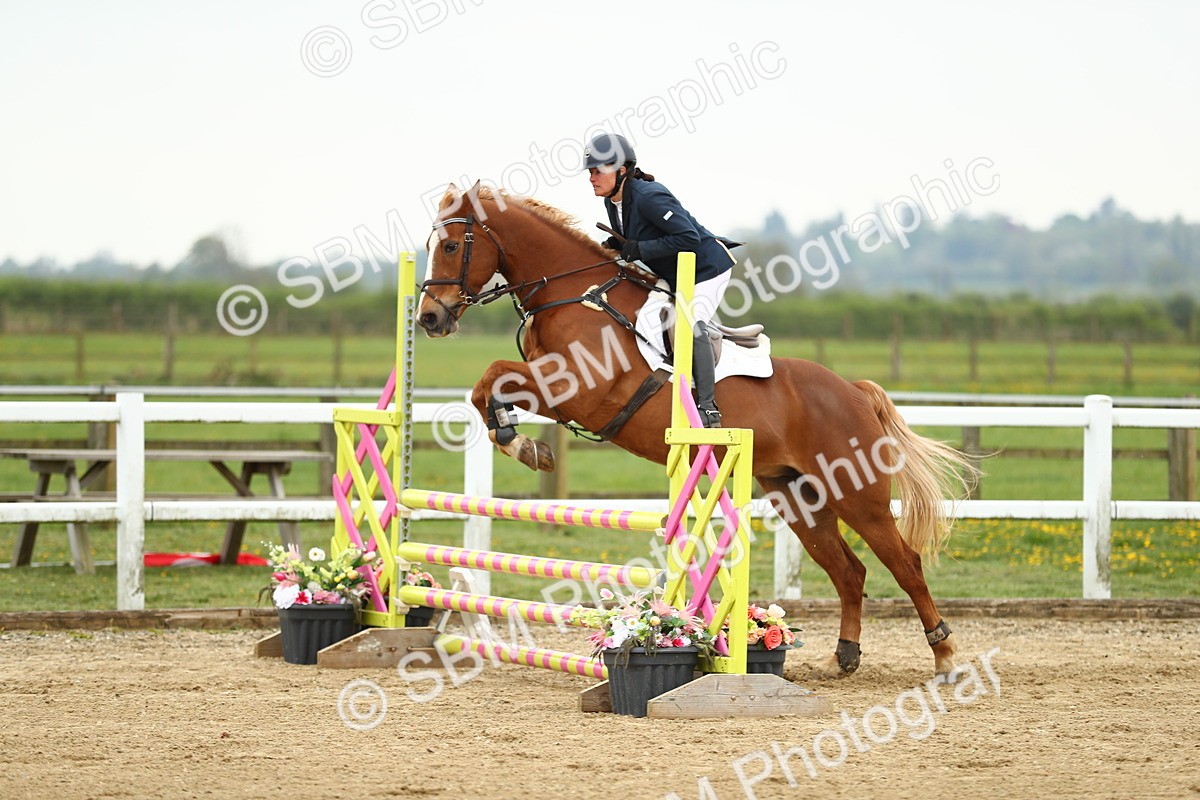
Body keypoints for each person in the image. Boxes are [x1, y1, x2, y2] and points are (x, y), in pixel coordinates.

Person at [585, 132, 736, 428]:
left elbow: (688, 237)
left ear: (622, 170)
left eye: (599, 170)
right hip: (673, 273)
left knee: (689, 323)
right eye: (590, 171)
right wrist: (621, 245)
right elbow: (644, 236)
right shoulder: (613, 201)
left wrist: (640, 249)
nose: (592, 177)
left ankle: (708, 407)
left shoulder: (648, 196)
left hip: (706, 269)